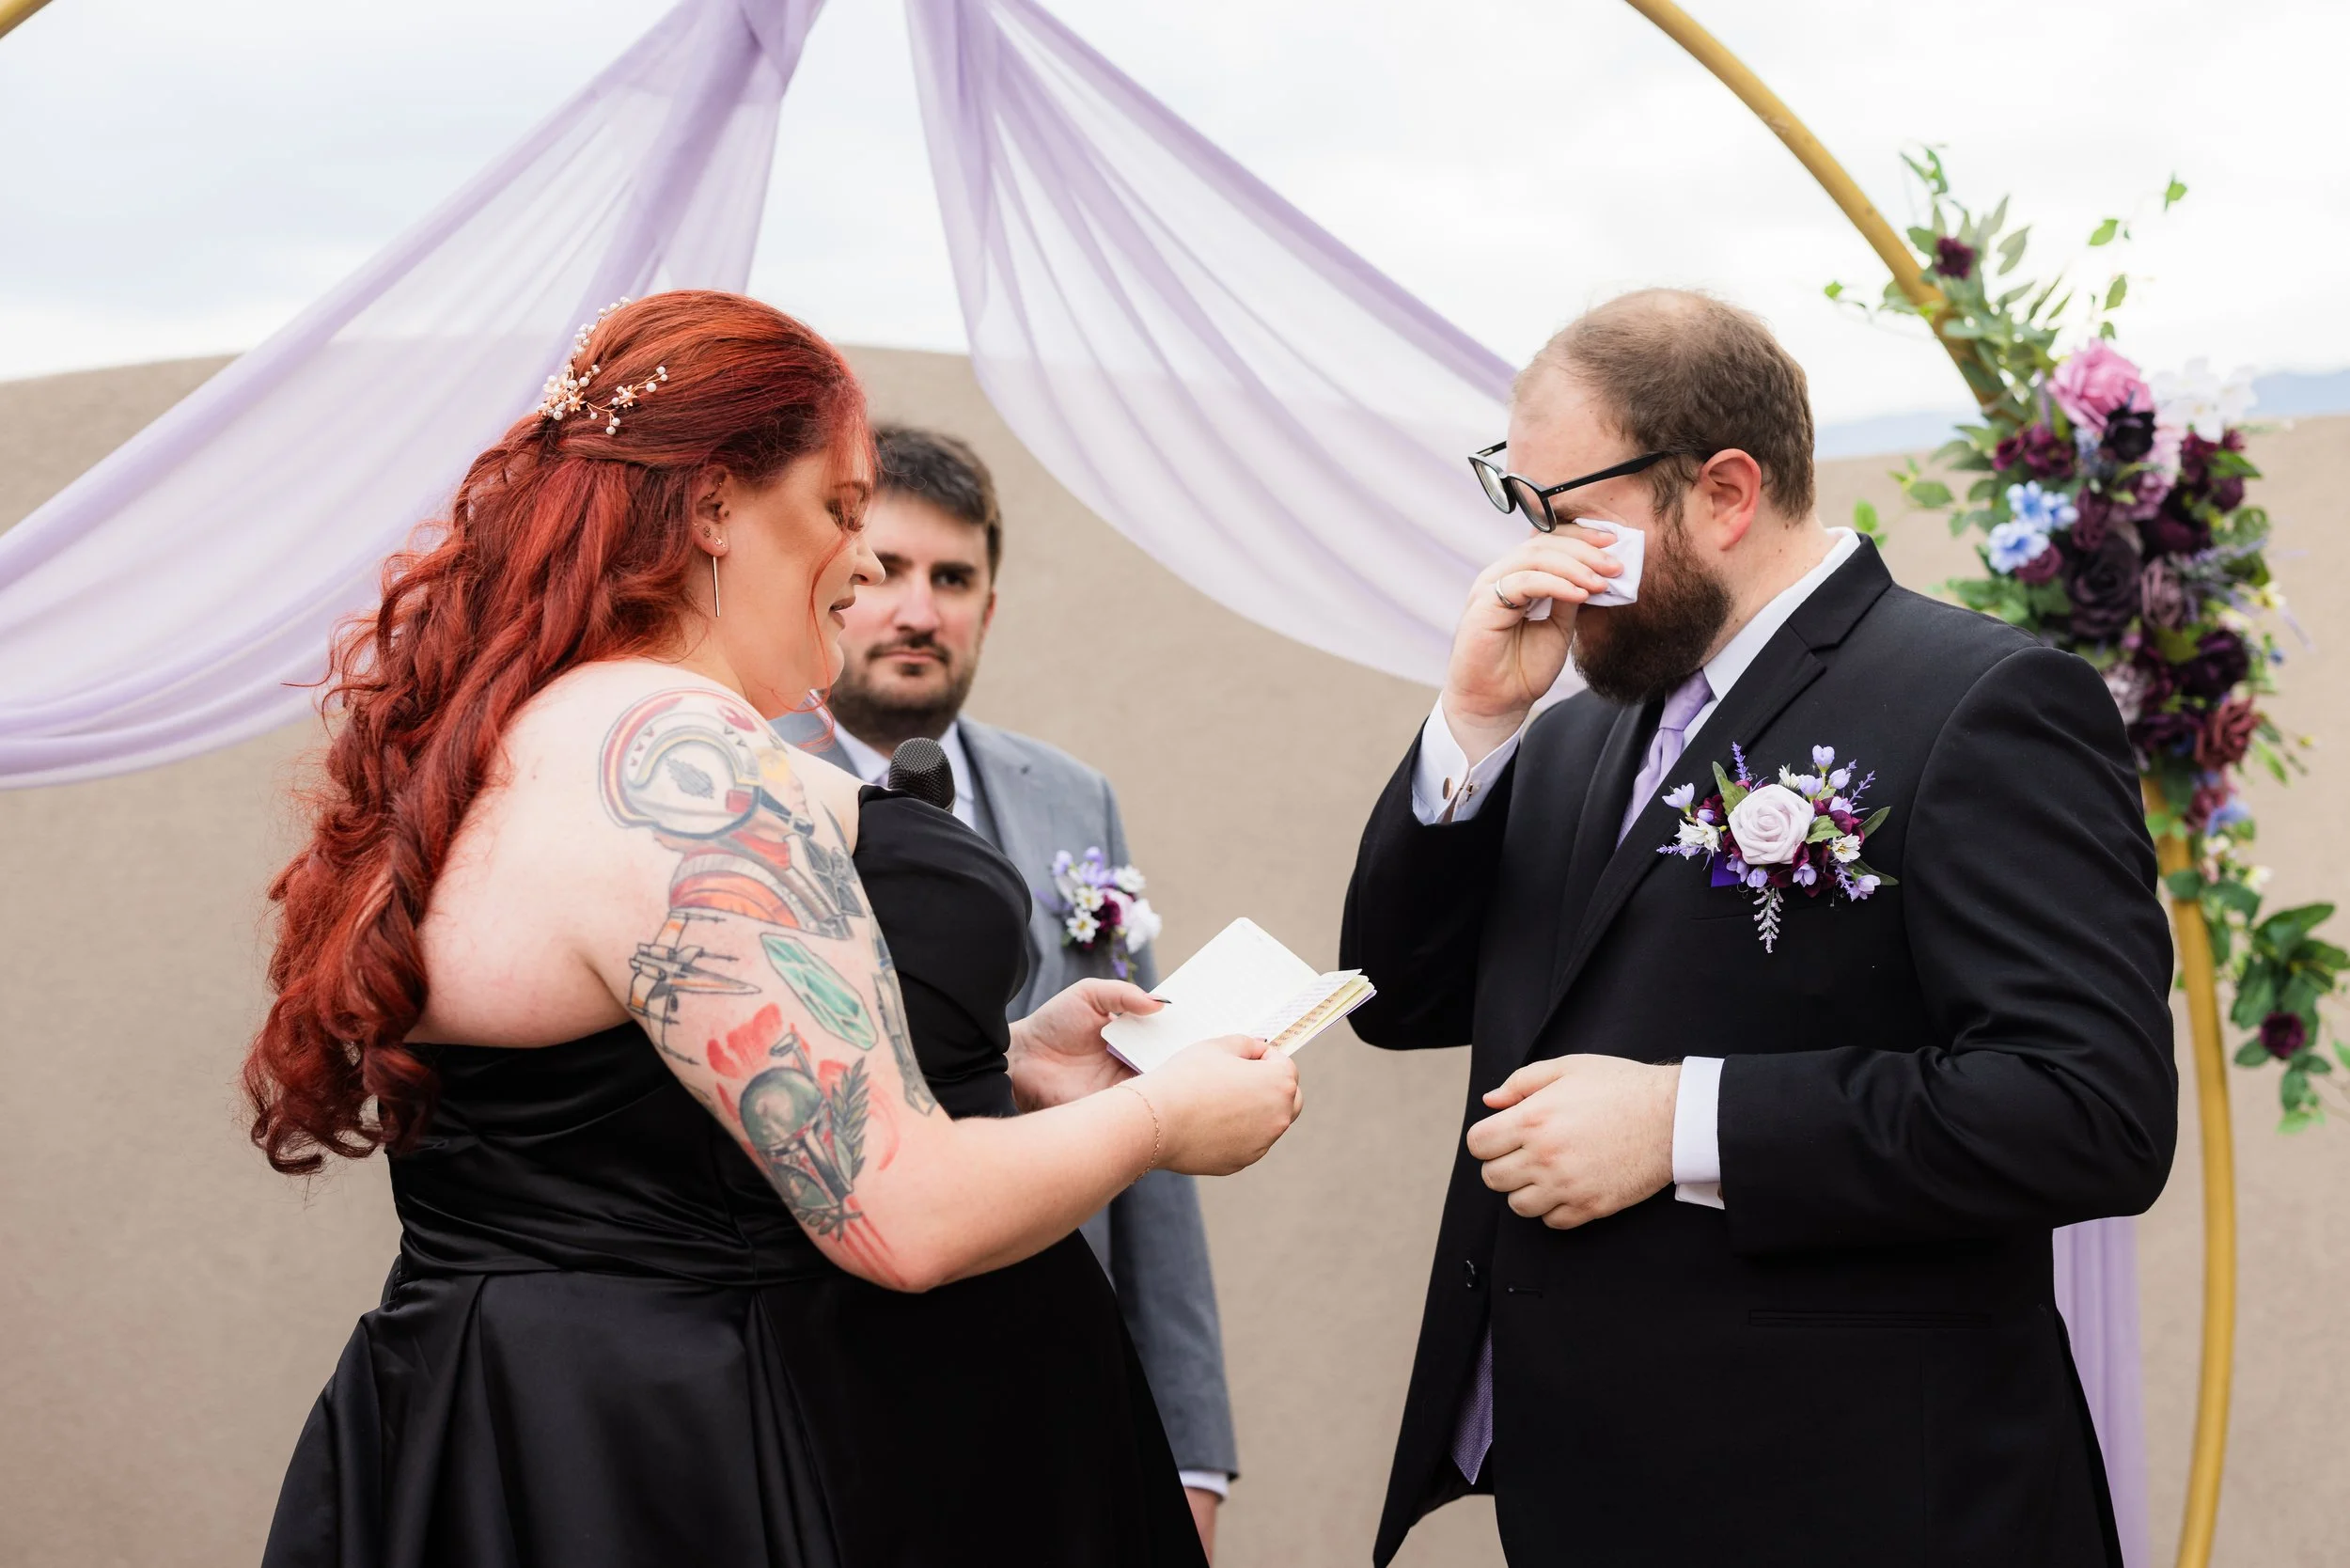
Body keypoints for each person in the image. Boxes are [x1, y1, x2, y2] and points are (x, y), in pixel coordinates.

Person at [244, 290, 1302, 1568]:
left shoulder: (507, 738)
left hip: (529, 1423)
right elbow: (894, 1217)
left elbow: (645, 1092)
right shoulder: (676, 757)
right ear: (712, 510)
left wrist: (1009, 1062)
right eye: (843, 512)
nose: (863, 567)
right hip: (673, 1459)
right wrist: (1161, 1118)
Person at [1340, 289, 2176, 1568]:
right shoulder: (1569, 734)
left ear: (1724, 492)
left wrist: (1681, 1123)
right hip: (1600, 1503)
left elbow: (2088, 1111)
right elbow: (1397, 1001)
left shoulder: (1985, 705)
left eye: (1569, 514)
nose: (1535, 556)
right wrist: (1471, 730)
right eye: (1521, 508)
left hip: (1874, 1505)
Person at [795, 424, 1240, 1555]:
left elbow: (1143, 1110)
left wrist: (1185, 1442)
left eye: (953, 579)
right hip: (815, 1377)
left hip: (1053, 1381)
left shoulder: (1070, 797)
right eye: (887, 570)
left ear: (988, 607)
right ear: (834, 581)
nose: (917, 609)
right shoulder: (742, 783)